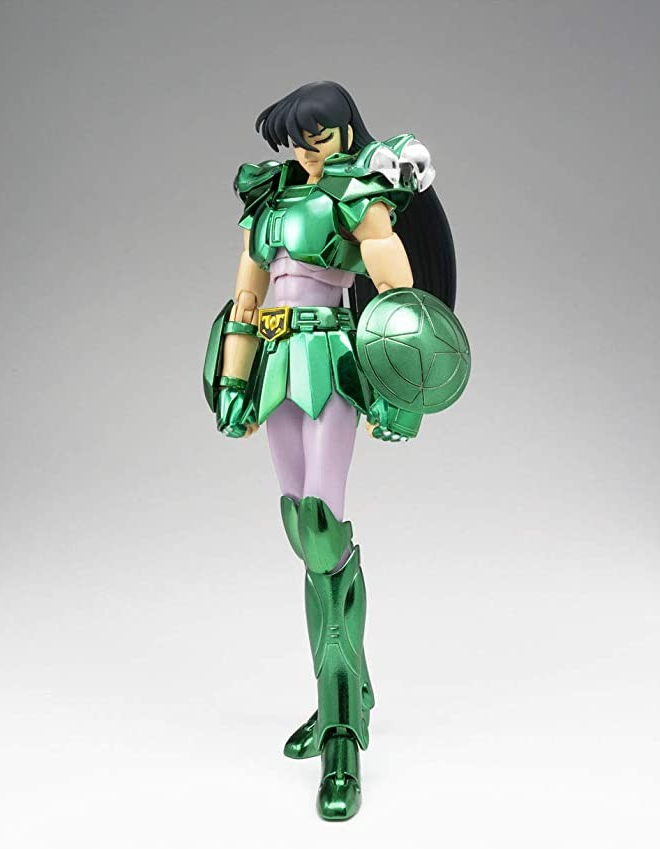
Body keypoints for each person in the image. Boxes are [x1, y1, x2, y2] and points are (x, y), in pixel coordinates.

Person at [203, 80, 462, 820]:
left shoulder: (357, 193)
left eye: (315, 138)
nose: (304, 151)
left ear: (346, 131)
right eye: (295, 141)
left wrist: (398, 392)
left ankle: (342, 729)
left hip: (329, 362)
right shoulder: (270, 197)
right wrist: (233, 381)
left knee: (322, 526)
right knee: (302, 528)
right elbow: (247, 297)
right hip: (276, 363)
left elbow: (397, 298)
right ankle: (345, 690)